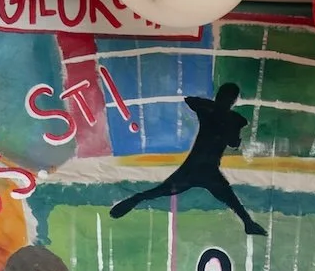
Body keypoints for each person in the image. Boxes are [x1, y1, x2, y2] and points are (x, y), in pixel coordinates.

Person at [109, 82, 266, 236]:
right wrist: (225, 118)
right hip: (207, 169)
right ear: (233, 100)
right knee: (229, 198)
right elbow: (234, 143)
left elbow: (191, 101)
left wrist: (214, 108)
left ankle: (137, 198)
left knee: (164, 190)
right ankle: (248, 223)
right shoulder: (231, 118)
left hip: (195, 167)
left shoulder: (210, 111)